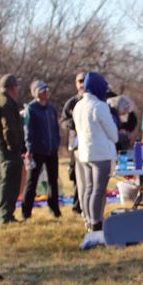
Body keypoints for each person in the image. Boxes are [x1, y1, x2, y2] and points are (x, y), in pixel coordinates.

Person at [72, 71, 123, 240]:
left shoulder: (78, 105)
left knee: (88, 189)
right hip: (101, 154)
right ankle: (96, 225)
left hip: (85, 153)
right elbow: (113, 135)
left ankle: (88, 221)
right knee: (98, 190)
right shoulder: (100, 106)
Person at [0, 73, 26, 224]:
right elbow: (8, 129)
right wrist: (15, 147)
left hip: (0, 146)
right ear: (12, 88)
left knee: (7, 179)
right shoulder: (6, 103)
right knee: (8, 180)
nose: (17, 89)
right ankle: (5, 215)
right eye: (16, 86)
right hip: (7, 148)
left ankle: (7, 213)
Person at [21, 79, 62, 219]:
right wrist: (29, 149)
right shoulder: (31, 109)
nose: (46, 93)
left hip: (51, 151)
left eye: (46, 90)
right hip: (36, 151)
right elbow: (28, 131)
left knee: (53, 180)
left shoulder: (51, 109)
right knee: (32, 182)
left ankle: (55, 209)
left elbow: (55, 129)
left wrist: (56, 143)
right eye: (43, 91)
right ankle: (26, 212)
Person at [61, 72, 86, 215]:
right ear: (76, 84)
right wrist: (75, 123)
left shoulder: (93, 101)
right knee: (76, 175)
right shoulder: (71, 103)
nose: (82, 83)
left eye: (84, 81)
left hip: (90, 145)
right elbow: (63, 121)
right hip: (76, 144)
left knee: (88, 176)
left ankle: (87, 207)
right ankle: (77, 206)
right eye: (79, 81)